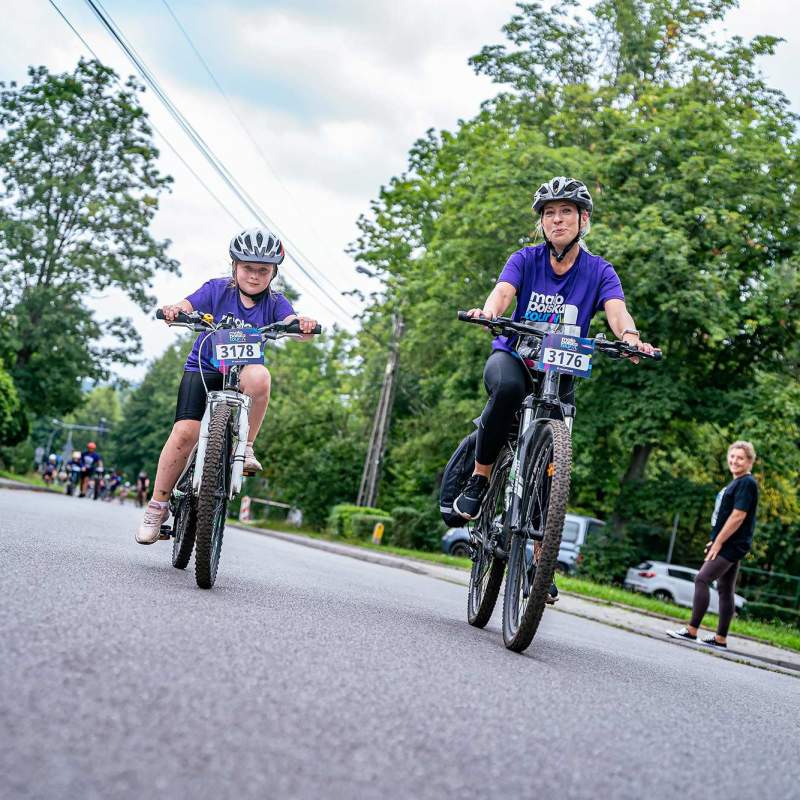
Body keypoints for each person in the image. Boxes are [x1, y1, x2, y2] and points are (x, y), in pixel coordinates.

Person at [454, 177, 656, 522]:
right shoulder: (525, 259)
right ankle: (480, 477)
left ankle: (539, 563)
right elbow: (503, 292)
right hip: (515, 357)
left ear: (584, 219)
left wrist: (631, 338)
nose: (557, 219)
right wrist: (489, 313)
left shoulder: (600, 271)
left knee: (553, 462)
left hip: (561, 368)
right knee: (507, 389)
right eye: (549, 213)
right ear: (542, 221)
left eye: (566, 211)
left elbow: (617, 312)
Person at [136, 225, 318, 545]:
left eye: (263, 270)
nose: (254, 276)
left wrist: (301, 325)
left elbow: (290, 322)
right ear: (234, 266)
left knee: (261, 376)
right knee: (185, 434)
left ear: (273, 273)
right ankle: (157, 506)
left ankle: (245, 448)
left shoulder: (275, 302)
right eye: (248, 268)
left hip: (242, 373)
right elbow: (188, 304)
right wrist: (175, 310)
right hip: (205, 368)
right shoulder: (217, 290)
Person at [667, 441, 759, 648]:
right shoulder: (737, 482)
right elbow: (724, 515)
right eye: (732, 456)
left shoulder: (746, 483)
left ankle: (691, 630)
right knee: (725, 589)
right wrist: (714, 538)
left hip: (730, 544)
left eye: (740, 458)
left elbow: (737, 516)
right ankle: (720, 639)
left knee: (702, 578)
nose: (734, 461)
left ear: (750, 461)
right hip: (731, 543)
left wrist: (718, 543)